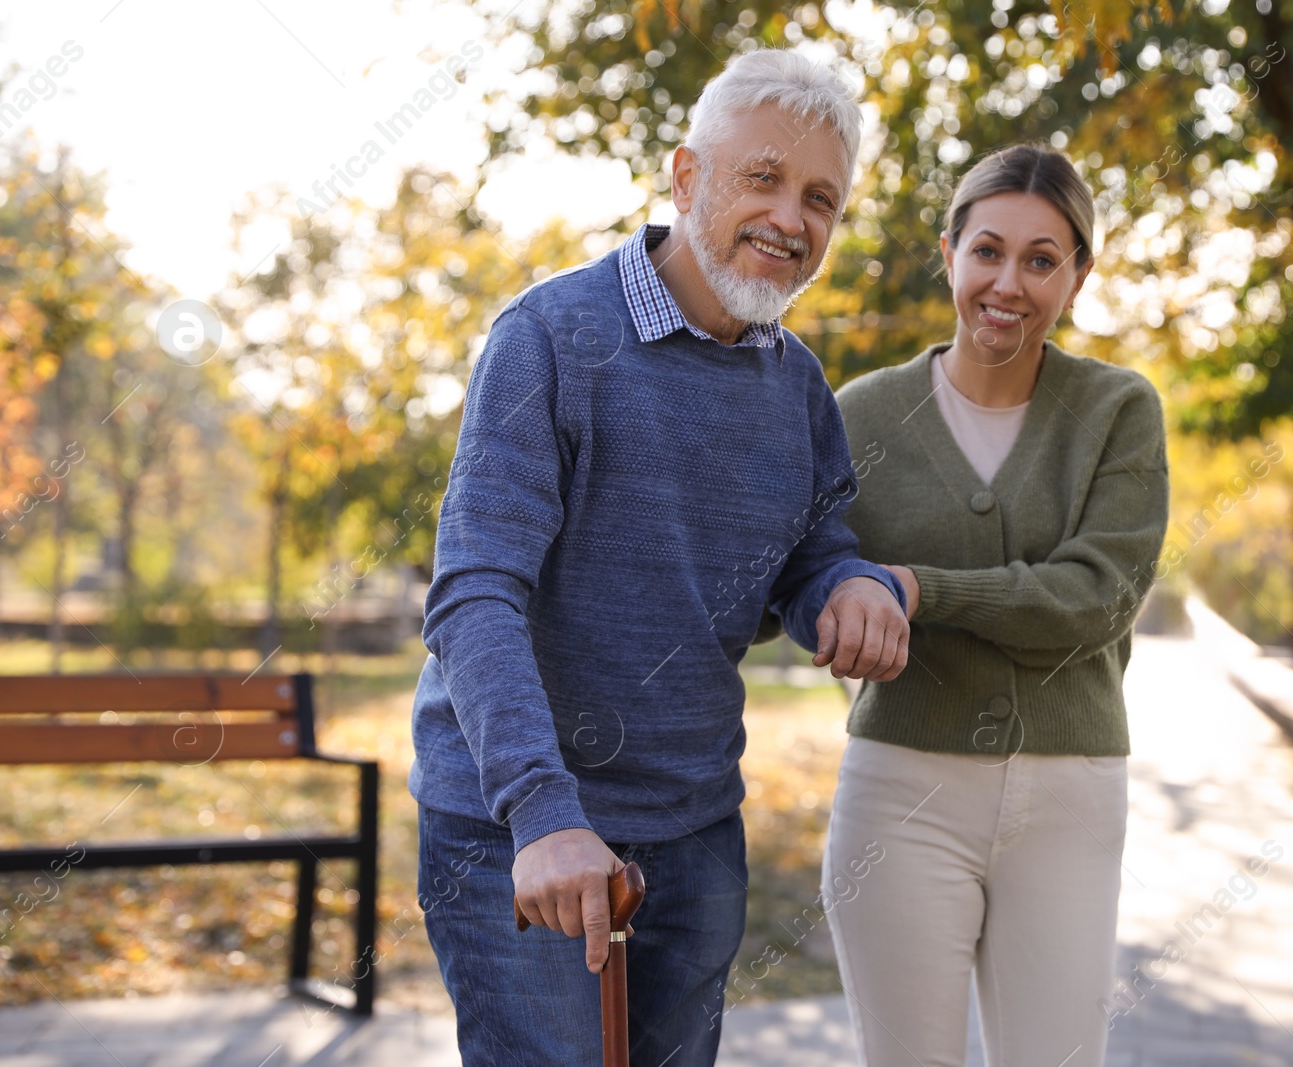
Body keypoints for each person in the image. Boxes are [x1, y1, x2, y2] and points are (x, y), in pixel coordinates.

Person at [408, 49, 911, 1067]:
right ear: (686, 178)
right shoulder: (550, 337)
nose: (790, 217)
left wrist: (845, 586)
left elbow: (808, 554)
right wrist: (541, 814)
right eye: (761, 178)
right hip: (521, 826)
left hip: (693, 829)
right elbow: (473, 596)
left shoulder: (795, 383)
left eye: (820, 197)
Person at [821, 144, 1170, 1067]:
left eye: (1041, 259)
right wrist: (853, 606)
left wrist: (922, 588)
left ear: (1077, 276)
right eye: (987, 251)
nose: (1007, 282)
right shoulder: (861, 415)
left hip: (1069, 793)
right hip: (900, 789)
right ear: (950, 255)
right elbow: (817, 579)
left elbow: (1097, 599)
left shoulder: (1117, 411)